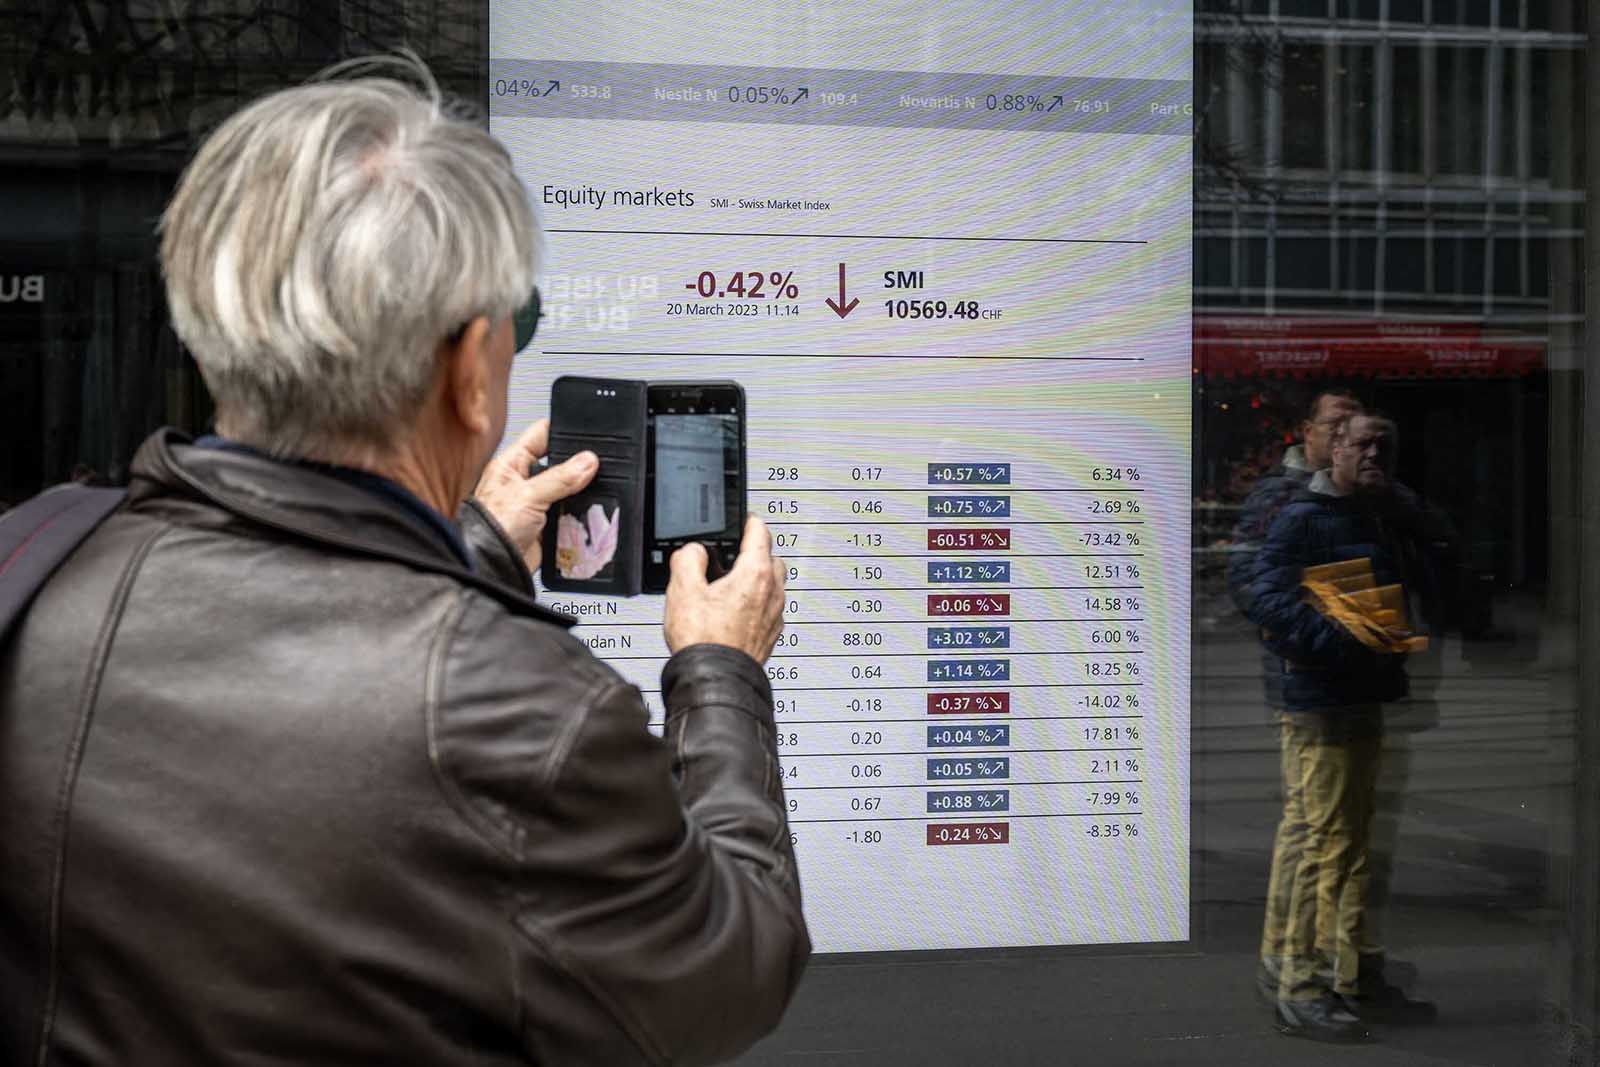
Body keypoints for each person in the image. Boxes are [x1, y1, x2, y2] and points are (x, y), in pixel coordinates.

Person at [0, 62, 809, 1066]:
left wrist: (464, 553)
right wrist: (721, 671)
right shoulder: (530, 711)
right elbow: (728, 973)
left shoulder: (33, 556)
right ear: (471, 369)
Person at [1236, 412, 1437, 1042]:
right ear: (1334, 452)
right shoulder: (1305, 517)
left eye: (1386, 443)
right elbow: (1264, 597)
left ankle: (1345, 974)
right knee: (1324, 844)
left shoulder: (1375, 513)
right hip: (1321, 700)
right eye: (1362, 443)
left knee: (1346, 846)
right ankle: (1299, 986)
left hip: (1360, 695)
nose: (1376, 452)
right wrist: (1348, 639)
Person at [1228, 389, 1362, 1005]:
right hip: (1307, 681)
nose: (1343, 441)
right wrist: (1331, 640)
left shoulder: (1355, 495)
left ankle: (1337, 963)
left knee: (1339, 832)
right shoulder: (1281, 498)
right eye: (1333, 427)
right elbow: (1251, 586)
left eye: (1352, 431)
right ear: (1305, 431)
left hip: (1349, 684)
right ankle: (1292, 969)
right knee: (1312, 827)